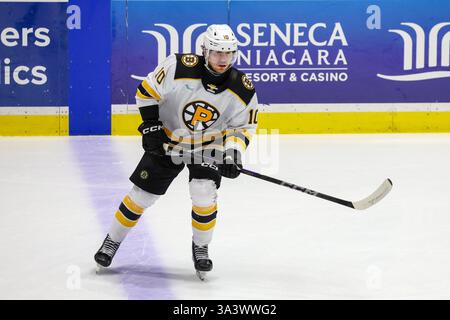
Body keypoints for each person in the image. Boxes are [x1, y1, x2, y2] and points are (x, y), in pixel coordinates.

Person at [94, 24, 258, 280]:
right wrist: (151, 127)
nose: (223, 59)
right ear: (205, 50)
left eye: (228, 53)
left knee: (204, 194)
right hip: (169, 140)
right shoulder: (178, 67)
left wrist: (232, 154)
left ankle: (201, 247)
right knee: (141, 196)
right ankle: (111, 242)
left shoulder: (242, 87)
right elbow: (146, 92)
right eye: (217, 52)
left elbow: (243, 126)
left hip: (208, 146)